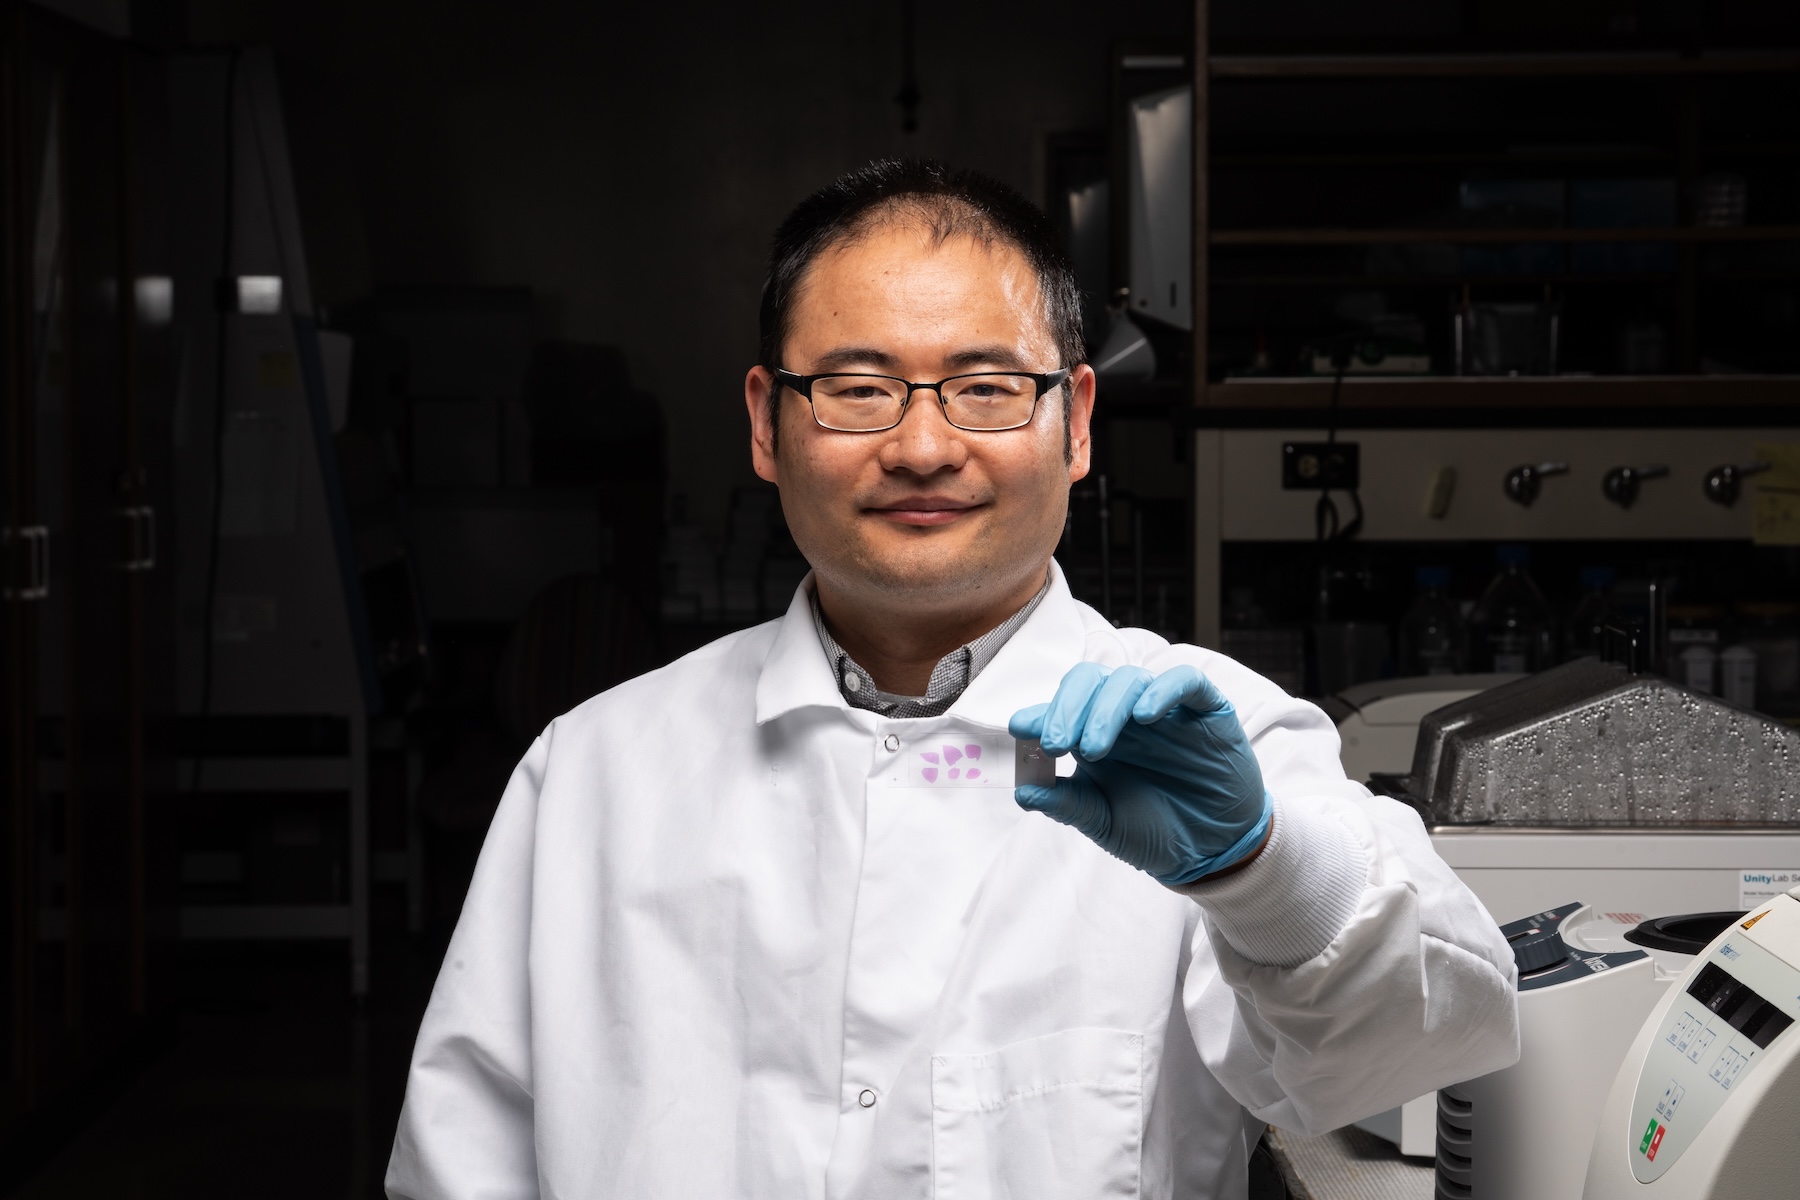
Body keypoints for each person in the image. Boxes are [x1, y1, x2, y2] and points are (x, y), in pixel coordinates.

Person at [386, 160, 1519, 1200]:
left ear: (1074, 422)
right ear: (766, 425)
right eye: (858, 387)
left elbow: (1424, 1043)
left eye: (983, 387)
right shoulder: (594, 772)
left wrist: (1261, 873)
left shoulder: (1213, 743)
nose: (924, 447)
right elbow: (462, 1166)